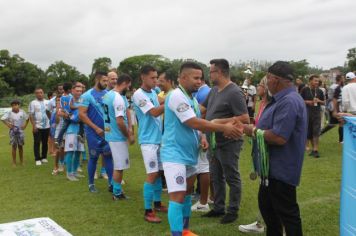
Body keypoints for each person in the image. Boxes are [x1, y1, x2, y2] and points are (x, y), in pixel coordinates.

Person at [161, 61, 243, 236]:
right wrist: (224, 127)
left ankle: (185, 230)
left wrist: (203, 136)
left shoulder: (191, 98)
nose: (199, 81)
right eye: (195, 78)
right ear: (183, 77)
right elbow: (192, 122)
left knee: (188, 193)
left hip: (190, 153)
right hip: (174, 154)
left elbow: (197, 122)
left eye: (201, 78)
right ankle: (177, 234)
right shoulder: (176, 96)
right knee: (177, 196)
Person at [242, 61, 307, 236]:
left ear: (275, 79)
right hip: (270, 169)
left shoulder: (289, 101)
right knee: (269, 212)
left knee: (287, 215)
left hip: (281, 170)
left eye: (267, 78)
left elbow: (279, 137)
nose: (266, 82)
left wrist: (253, 131)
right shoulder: (281, 99)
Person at [201, 59, 249, 224]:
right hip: (214, 142)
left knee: (231, 176)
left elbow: (245, 118)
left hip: (229, 142)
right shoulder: (214, 90)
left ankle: (233, 210)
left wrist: (218, 122)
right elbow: (202, 109)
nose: (209, 74)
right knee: (216, 176)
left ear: (219, 72)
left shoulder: (234, 91)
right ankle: (219, 207)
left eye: (211, 71)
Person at [132, 65, 167, 223]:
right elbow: (154, 112)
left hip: (158, 139)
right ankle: (148, 211)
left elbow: (160, 100)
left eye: (156, 77)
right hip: (148, 142)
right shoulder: (138, 95)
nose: (155, 81)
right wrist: (171, 102)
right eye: (152, 78)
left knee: (159, 172)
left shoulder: (152, 92)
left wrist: (171, 96)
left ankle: (158, 203)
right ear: (143, 77)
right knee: (152, 174)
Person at [238, 76, 270, 234]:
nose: (257, 86)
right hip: (260, 149)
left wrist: (252, 129)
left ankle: (270, 224)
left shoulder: (272, 105)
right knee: (264, 188)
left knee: (271, 190)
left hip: (268, 154)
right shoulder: (262, 103)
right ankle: (261, 222)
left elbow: (268, 130)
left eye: (260, 84)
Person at [78, 71, 114, 193]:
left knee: (108, 156)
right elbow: (82, 115)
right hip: (93, 133)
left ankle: (111, 183)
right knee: (93, 158)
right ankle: (91, 184)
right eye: (104, 80)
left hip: (107, 132)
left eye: (107, 80)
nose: (106, 83)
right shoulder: (87, 95)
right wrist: (96, 128)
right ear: (97, 80)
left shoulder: (108, 94)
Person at [103, 73, 134, 200]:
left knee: (117, 163)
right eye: (129, 85)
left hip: (110, 134)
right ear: (125, 83)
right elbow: (120, 121)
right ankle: (117, 192)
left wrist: (130, 127)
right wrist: (128, 135)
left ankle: (112, 185)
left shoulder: (108, 94)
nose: (129, 88)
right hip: (117, 136)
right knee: (120, 166)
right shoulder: (118, 98)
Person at [191, 78, 213, 212]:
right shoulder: (210, 91)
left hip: (203, 131)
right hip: (206, 131)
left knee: (204, 167)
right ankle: (211, 197)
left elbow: (202, 114)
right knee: (208, 166)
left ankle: (203, 201)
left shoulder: (203, 93)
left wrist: (203, 133)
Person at [62, 84, 85, 181]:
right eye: (77, 91)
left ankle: (75, 171)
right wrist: (75, 118)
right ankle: (69, 173)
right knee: (70, 151)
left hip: (81, 129)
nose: (79, 92)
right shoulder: (67, 100)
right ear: (72, 91)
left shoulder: (83, 100)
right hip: (71, 129)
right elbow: (64, 114)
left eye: (80, 91)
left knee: (79, 151)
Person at [300, 75, 325, 157]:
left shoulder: (320, 91)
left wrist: (319, 100)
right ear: (310, 81)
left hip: (317, 113)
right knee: (309, 132)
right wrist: (307, 102)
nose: (317, 82)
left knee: (316, 131)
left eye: (318, 81)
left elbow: (324, 102)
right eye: (315, 81)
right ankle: (313, 149)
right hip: (307, 113)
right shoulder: (305, 90)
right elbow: (299, 101)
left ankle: (316, 150)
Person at [1, 99, 29, 166]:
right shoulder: (9, 113)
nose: (15, 107)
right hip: (13, 131)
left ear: (19, 105)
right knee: (14, 146)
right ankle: (14, 162)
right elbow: (2, 119)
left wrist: (25, 125)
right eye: (13, 105)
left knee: (20, 146)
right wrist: (8, 124)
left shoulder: (22, 112)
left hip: (20, 131)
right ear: (11, 106)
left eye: (16, 105)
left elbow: (27, 118)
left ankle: (22, 161)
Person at [29, 87, 51, 166]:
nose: (39, 94)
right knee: (37, 142)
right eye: (37, 93)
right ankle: (37, 159)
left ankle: (44, 157)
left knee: (45, 143)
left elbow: (51, 113)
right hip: (37, 126)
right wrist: (34, 126)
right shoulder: (33, 103)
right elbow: (31, 115)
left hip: (47, 126)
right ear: (35, 94)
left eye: (41, 92)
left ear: (43, 93)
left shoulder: (48, 102)